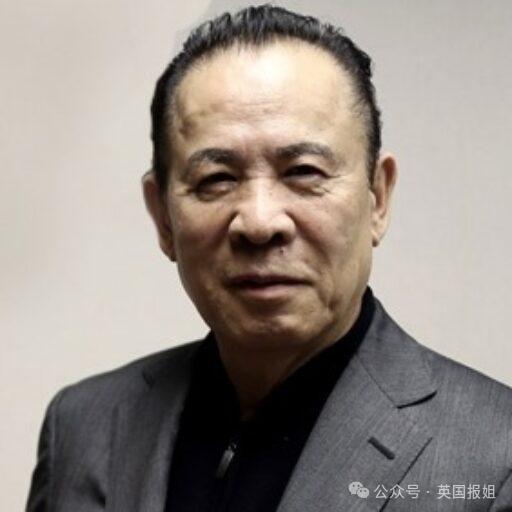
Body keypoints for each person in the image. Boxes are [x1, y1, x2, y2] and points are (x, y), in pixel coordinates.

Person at [26, 5, 512, 511]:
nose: (259, 222)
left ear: (378, 199)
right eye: (217, 179)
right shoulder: (82, 428)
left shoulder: (496, 460)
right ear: (163, 218)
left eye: (303, 171)